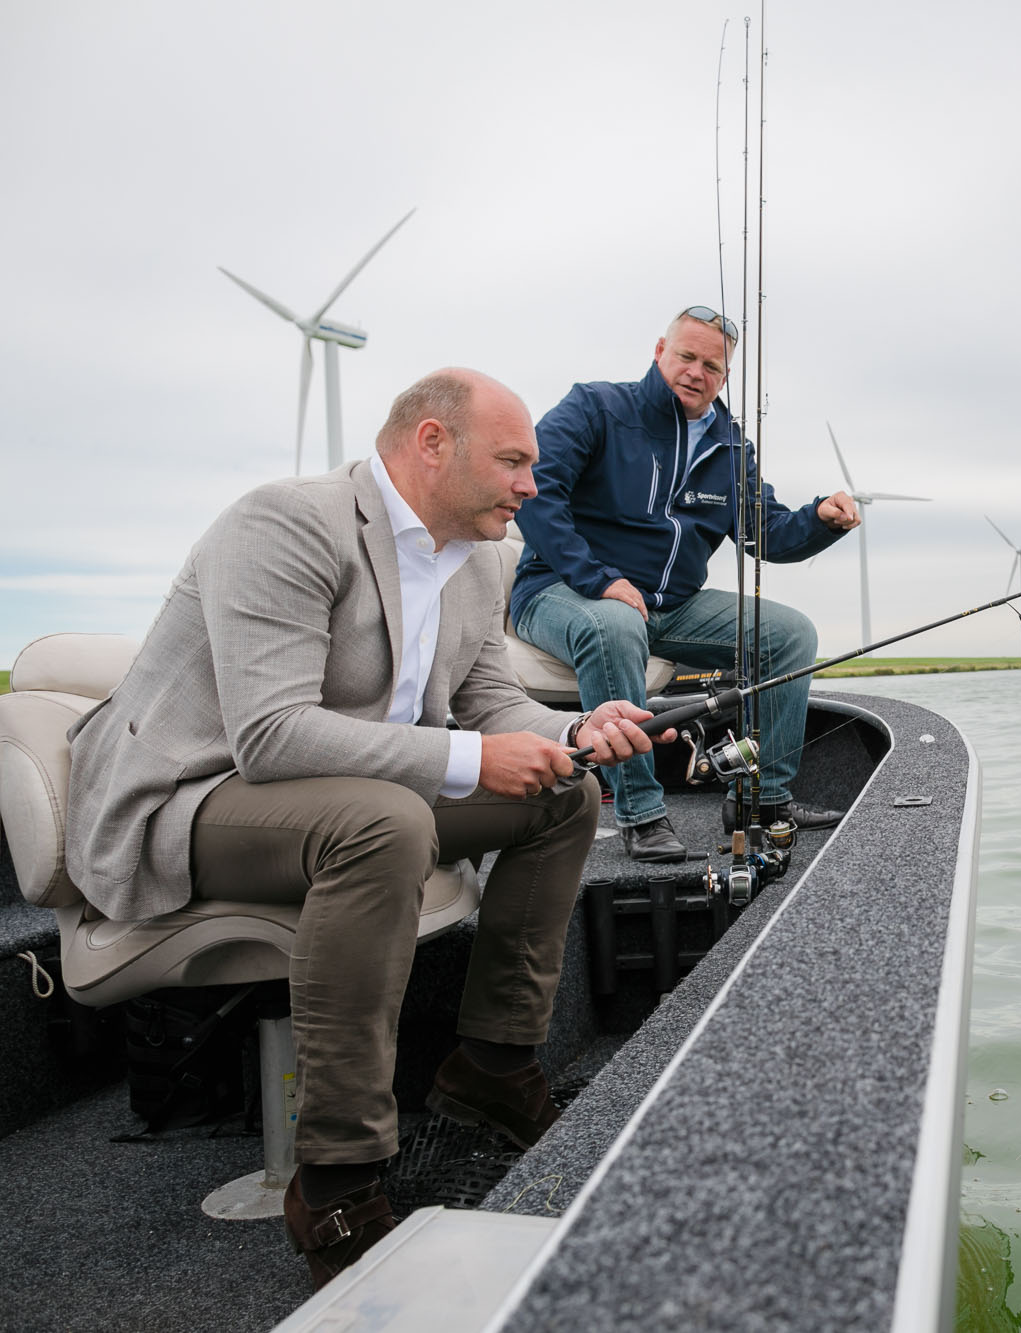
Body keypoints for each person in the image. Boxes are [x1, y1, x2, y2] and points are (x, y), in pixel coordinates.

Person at [64, 369, 660, 1289]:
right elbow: (269, 736)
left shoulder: (473, 557)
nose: (532, 487)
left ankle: (493, 1065)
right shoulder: (283, 523)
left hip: (341, 789)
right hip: (190, 794)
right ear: (432, 443)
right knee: (383, 825)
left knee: (564, 795)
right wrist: (472, 760)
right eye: (512, 461)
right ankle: (337, 1176)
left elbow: (489, 699)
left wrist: (576, 732)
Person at [511, 306, 860, 861]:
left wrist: (821, 519)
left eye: (713, 366)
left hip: (670, 604)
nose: (697, 372)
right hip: (560, 589)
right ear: (659, 351)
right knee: (615, 623)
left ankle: (762, 801)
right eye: (687, 356)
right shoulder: (595, 406)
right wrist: (598, 578)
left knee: (791, 634)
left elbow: (764, 535)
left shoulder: (731, 446)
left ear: (725, 377)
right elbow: (535, 490)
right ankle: (641, 813)